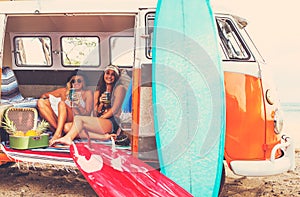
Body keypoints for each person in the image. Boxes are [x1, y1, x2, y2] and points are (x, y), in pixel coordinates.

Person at [50, 65, 126, 146]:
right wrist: (101, 103)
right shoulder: (98, 92)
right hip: (100, 120)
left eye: (113, 74)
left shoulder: (119, 88)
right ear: (104, 75)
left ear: (116, 77)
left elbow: (114, 110)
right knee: (67, 127)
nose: (109, 76)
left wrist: (97, 119)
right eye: (107, 73)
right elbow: (95, 113)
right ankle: (103, 137)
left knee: (78, 119)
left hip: (111, 121)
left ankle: (68, 138)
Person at [37, 72, 93, 144]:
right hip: (61, 119)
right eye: (73, 81)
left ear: (84, 83)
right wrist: (48, 101)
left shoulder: (87, 93)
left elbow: (87, 113)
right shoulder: (64, 91)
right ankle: (59, 131)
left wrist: (78, 104)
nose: (76, 83)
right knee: (40, 102)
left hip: (77, 119)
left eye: (79, 81)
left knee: (62, 103)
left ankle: (57, 134)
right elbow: (44, 95)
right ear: (70, 83)